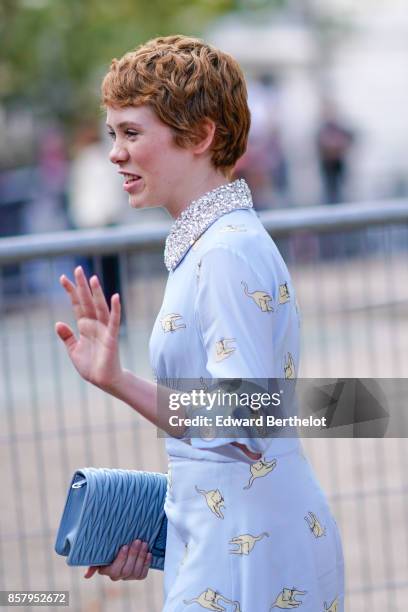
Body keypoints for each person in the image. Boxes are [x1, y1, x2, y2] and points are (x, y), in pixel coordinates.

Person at [55, 35, 344, 611]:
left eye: (132, 133)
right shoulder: (214, 245)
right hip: (235, 540)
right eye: (114, 133)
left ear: (200, 135)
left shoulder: (224, 253)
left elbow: (244, 419)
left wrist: (119, 381)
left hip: (248, 556)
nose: (115, 153)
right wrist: (163, 525)